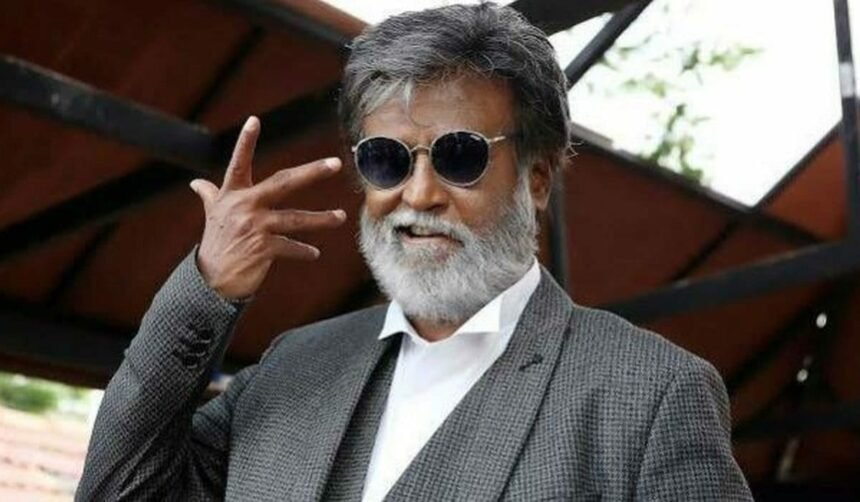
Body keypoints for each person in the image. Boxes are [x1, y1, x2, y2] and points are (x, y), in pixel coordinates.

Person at [77, 3, 752, 501]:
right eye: (386, 158)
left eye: (459, 156)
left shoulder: (651, 393)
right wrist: (206, 289)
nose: (420, 193)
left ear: (538, 178)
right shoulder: (292, 367)